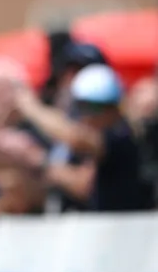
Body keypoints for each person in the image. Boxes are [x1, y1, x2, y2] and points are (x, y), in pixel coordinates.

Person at [11, 64, 153, 211]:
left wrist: (30, 106)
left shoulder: (121, 134)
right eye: (79, 107)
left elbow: (74, 137)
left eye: (89, 107)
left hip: (127, 225)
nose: (84, 117)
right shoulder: (116, 133)